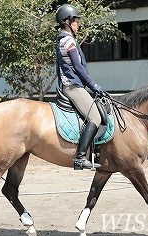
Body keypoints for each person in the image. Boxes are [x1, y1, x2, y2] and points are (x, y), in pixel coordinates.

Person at [55, 4, 104, 170]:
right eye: (76, 21)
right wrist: (93, 85)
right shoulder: (68, 40)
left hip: (72, 84)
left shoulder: (65, 39)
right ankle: (80, 157)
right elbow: (78, 67)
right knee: (96, 118)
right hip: (72, 86)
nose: (78, 24)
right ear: (67, 22)